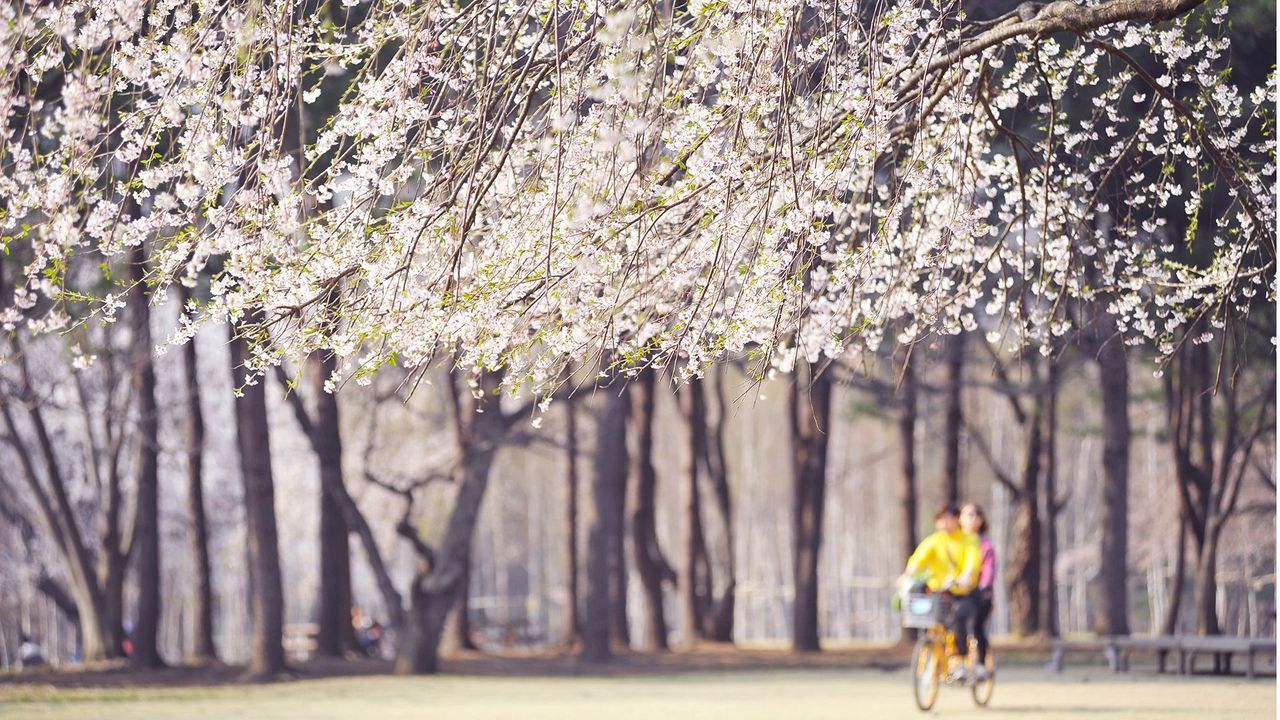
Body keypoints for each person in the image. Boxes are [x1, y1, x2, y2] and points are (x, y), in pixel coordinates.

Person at [899, 503, 981, 680]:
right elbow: (918, 560)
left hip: (962, 592)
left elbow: (972, 561)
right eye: (940, 519)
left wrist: (967, 575)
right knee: (927, 615)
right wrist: (907, 575)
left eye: (948, 518)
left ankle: (959, 660)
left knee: (959, 616)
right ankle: (932, 650)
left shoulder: (968, 539)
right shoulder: (934, 541)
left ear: (956, 519)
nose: (943, 523)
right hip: (939, 592)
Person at [961, 502, 996, 681]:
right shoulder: (956, 542)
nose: (972, 518)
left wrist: (984, 585)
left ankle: (981, 664)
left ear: (981, 519)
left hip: (980, 595)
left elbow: (989, 568)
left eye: (975, 514)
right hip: (960, 593)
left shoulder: (985, 545)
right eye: (967, 514)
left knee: (975, 626)